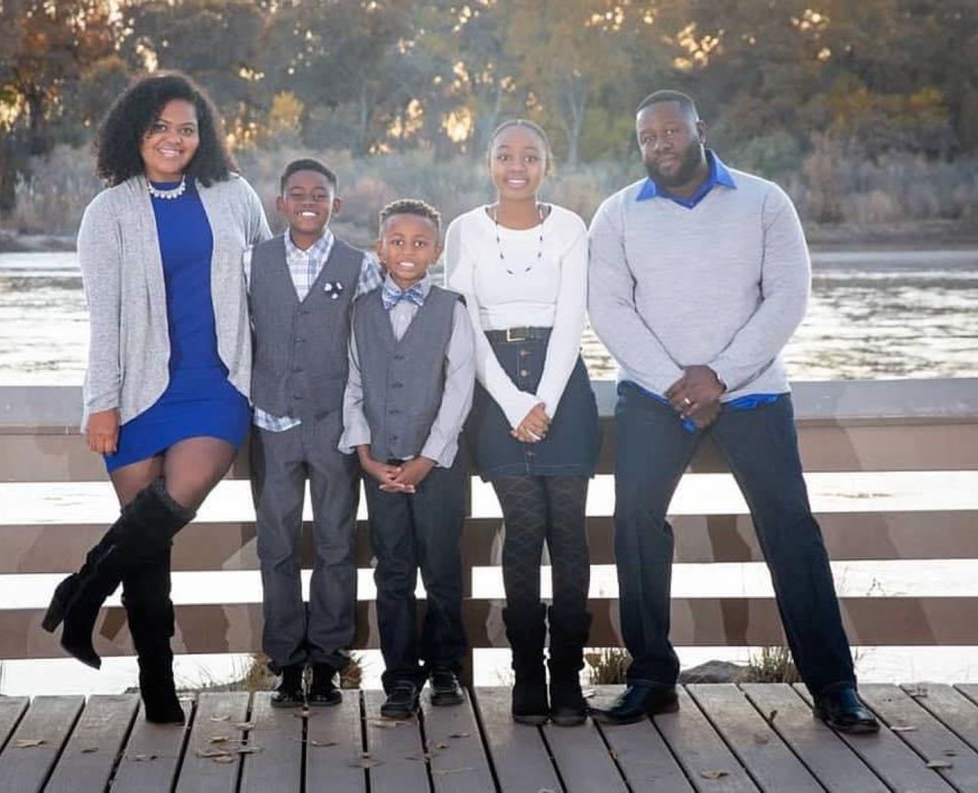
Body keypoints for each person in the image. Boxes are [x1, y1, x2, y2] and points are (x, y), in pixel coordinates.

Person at [587, 89, 879, 733]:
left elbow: (786, 299)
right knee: (635, 523)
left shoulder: (764, 201)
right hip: (654, 397)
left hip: (752, 394)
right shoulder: (617, 214)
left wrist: (718, 376)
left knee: (790, 529)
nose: (659, 144)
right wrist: (676, 383)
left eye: (670, 131)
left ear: (700, 129)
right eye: (647, 137)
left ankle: (834, 686)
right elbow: (608, 309)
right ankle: (651, 677)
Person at [42, 71, 271, 724]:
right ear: (135, 132)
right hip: (138, 391)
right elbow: (104, 316)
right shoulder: (108, 212)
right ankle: (158, 687)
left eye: (188, 129)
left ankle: (81, 594)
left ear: (206, 136)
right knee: (149, 546)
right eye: (161, 127)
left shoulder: (233, 195)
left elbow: (265, 283)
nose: (174, 139)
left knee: (171, 503)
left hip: (218, 383)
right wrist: (101, 400)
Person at [445, 120, 599, 727]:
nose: (517, 165)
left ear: (546, 165)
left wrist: (546, 402)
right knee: (523, 531)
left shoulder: (569, 228)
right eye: (505, 155)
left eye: (530, 156)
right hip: (495, 388)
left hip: (563, 388)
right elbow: (466, 322)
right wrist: (513, 404)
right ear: (489, 163)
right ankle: (527, 675)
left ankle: (567, 677)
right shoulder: (463, 231)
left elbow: (571, 319)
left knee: (569, 536)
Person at [246, 158, 382, 708]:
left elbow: (374, 347)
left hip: (334, 428)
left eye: (319, 194)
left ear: (335, 205)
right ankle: (285, 662)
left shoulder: (360, 266)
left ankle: (326, 661)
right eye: (296, 192)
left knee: (335, 543)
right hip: (271, 424)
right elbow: (234, 336)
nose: (308, 200)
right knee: (275, 545)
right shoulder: (250, 262)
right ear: (280, 203)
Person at [339, 199, 475, 719]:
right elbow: (354, 384)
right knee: (392, 570)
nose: (408, 251)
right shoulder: (361, 312)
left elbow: (460, 390)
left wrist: (429, 457)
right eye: (397, 241)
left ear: (436, 252)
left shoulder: (451, 308)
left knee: (441, 569)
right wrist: (366, 455)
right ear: (380, 248)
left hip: (436, 467)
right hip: (380, 465)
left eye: (420, 243)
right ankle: (399, 679)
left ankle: (444, 669)